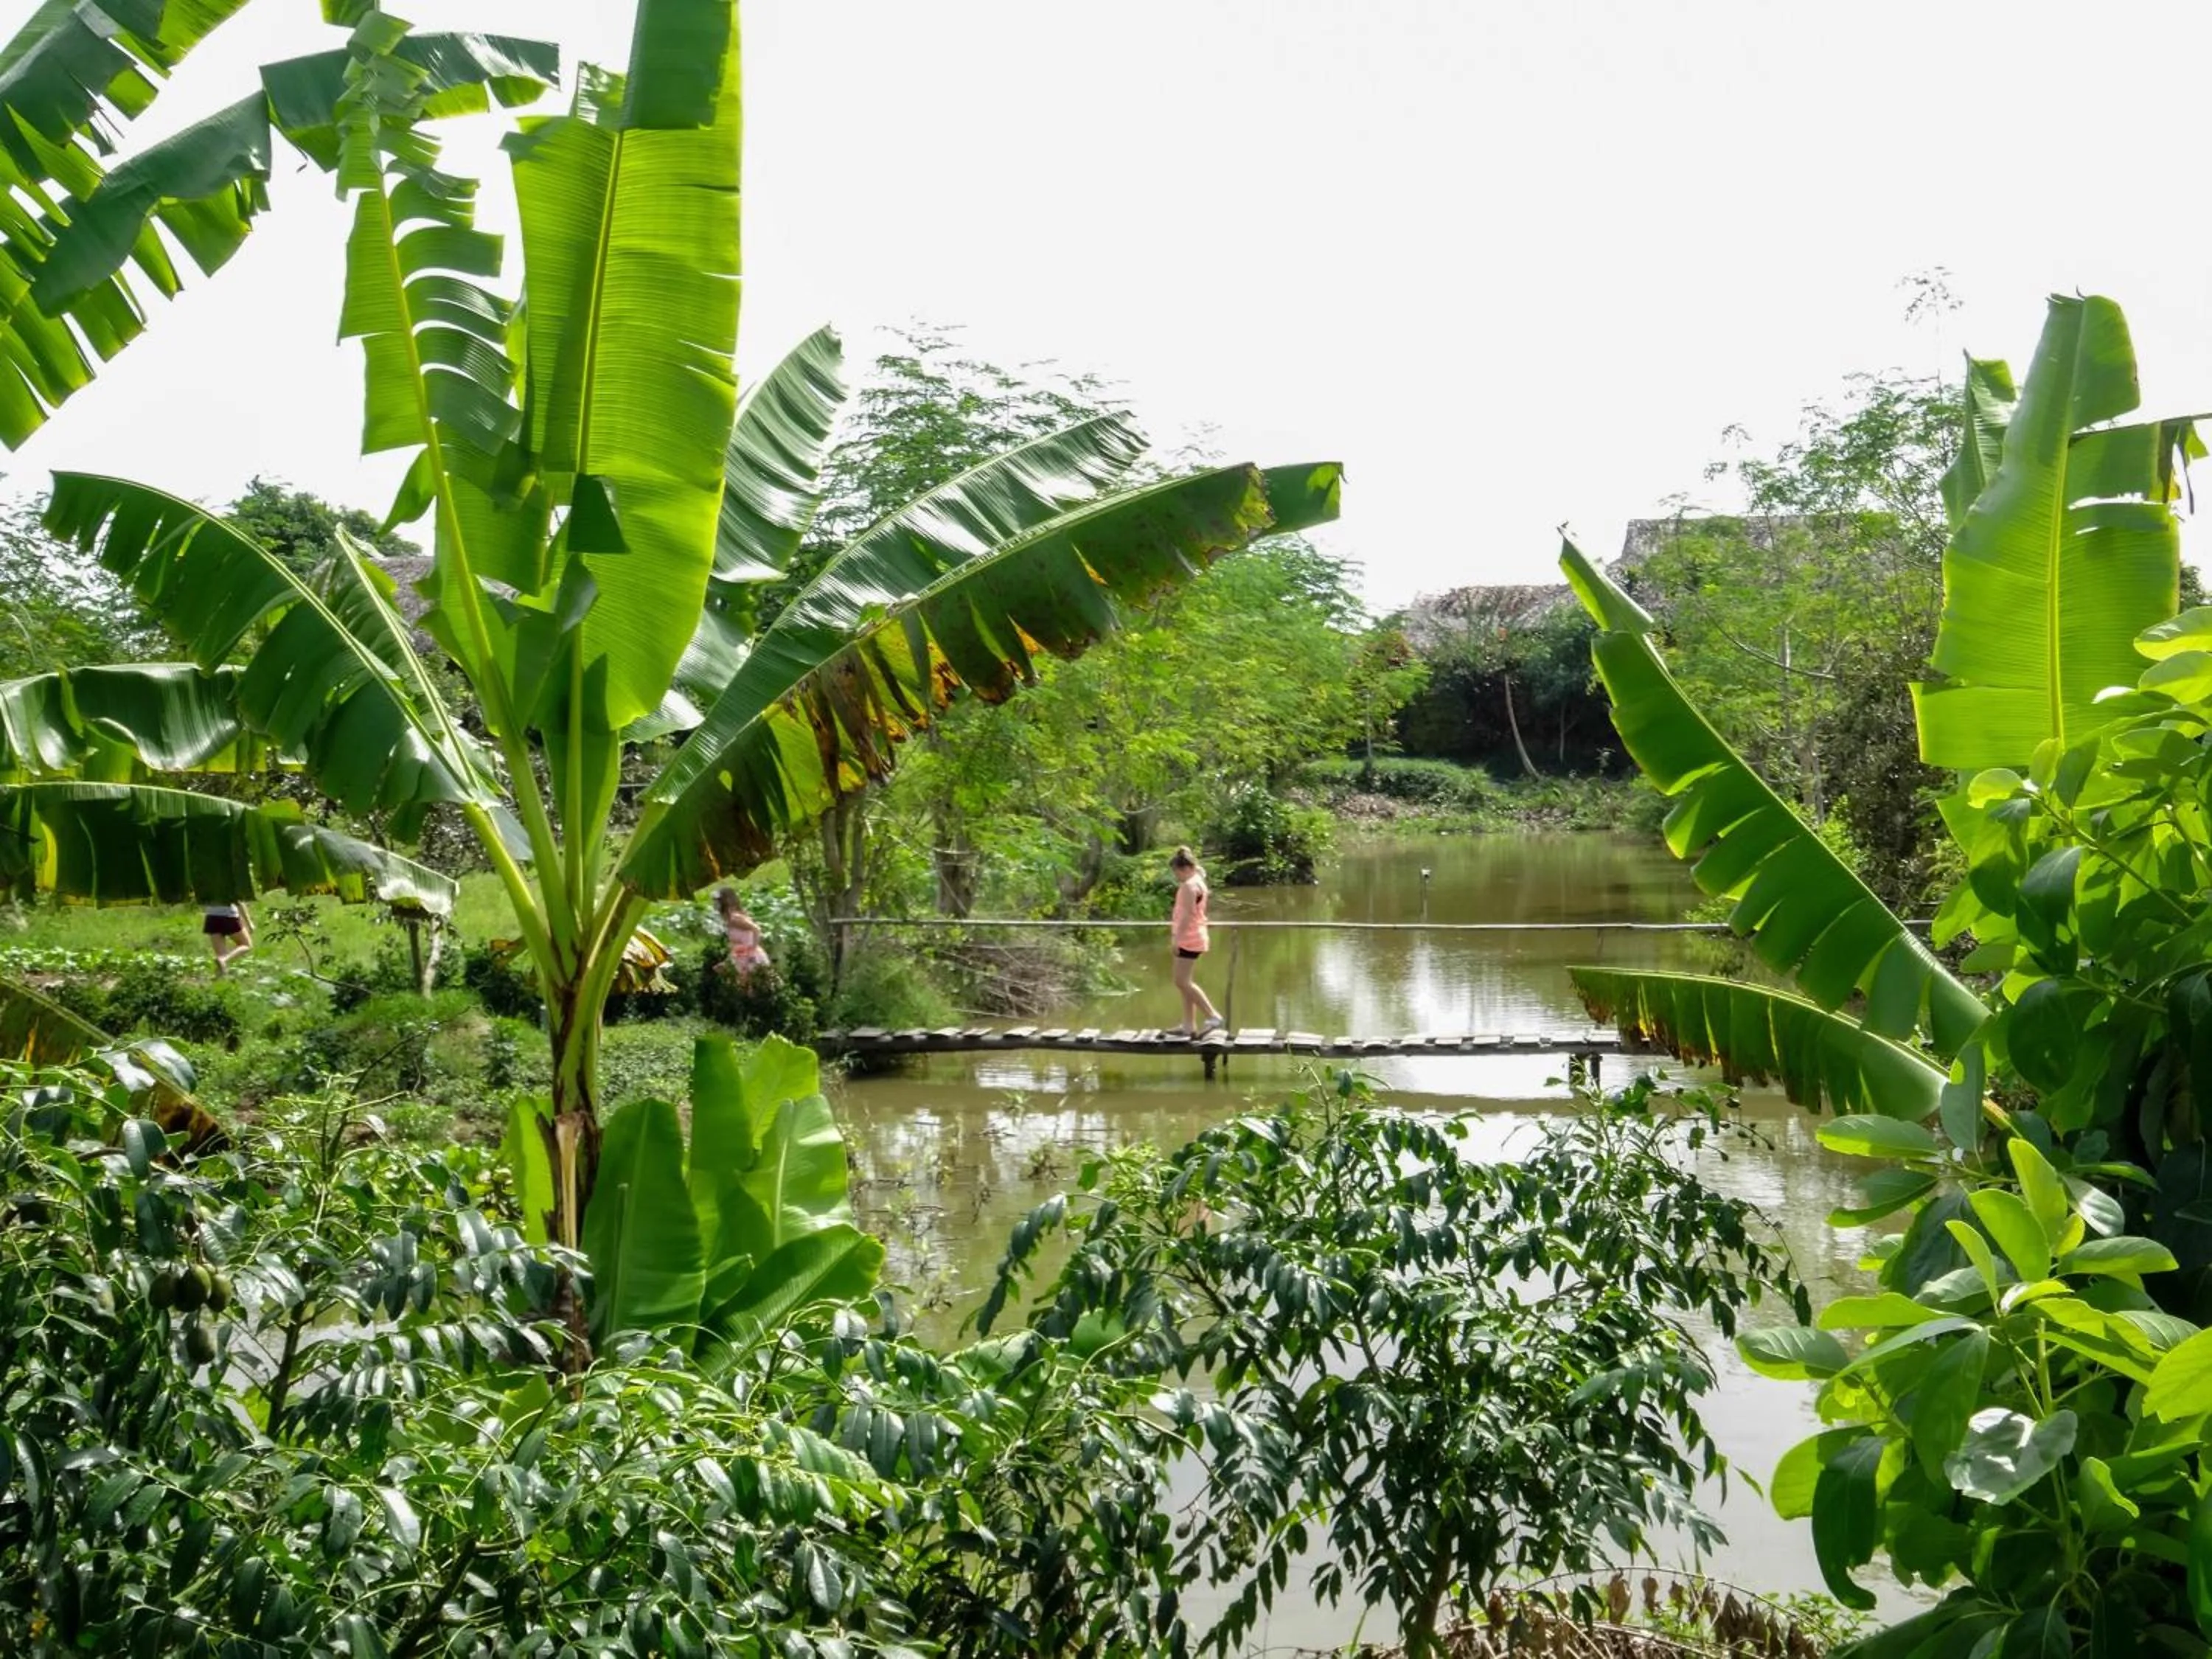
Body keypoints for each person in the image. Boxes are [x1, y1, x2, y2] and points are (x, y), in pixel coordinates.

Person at [1167, 847, 1224, 1038]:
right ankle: (1188, 1025)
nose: (1176, 876)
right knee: (1185, 983)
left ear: (1183, 869)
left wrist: (1177, 938)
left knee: (1181, 981)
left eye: (1176, 872)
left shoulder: (1189, 886)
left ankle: (1213, 1015)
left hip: (1189, 938)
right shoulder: (1199, 880)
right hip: (1196, 935)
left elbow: (1187, 915)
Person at [715, 886, 771, 982]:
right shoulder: (730, 921)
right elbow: (737, 945)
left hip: (750, 957)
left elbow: (756, 929)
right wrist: (727, 962)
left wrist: (752, 952)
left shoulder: (735, 919)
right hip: (742, 957)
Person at [202, 901, 252, 975]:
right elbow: (239, 902)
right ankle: (225, 960)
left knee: (221, 955)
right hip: (229, 916)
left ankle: (220, 980)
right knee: (247, 945)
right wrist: (249, 923)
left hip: (211, 917)